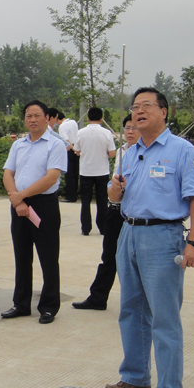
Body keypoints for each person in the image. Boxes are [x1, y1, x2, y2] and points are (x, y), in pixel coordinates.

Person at [104, 87, 194, 388]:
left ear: (164, 111)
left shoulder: (182, 151)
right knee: (131, 311)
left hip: (163, 237)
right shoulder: (131, 152)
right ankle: (135, 376)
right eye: (135, 107)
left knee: (164, 317)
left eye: (146, 105)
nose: (139, 111)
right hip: (129, 233)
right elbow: (115, 197)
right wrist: (115, 190)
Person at [1, 100, 67, 324]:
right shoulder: (18, 144)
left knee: (48, 258)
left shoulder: (55, 144)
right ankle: (20, 304)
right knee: (22, 257)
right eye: (28, 115)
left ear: (47, 118)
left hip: (44, 206)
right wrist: (17, 200)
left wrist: (22, 195)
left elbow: (51, 177)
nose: (32, 119)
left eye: (37, 115)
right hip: (18, 206)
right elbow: (8, 174)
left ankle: (48, 307)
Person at [73, 115, 140, 310]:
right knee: (109, 255)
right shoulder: (122, 151)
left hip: (136, 213)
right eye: (127, 127)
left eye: (134, 128)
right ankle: (98, 297)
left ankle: (140, 302)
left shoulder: (149, 153)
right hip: (117, 208)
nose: (129, 131)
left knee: (136, 260)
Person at [74, 108, 116, 236]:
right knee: (102, 200)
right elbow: (113, 153)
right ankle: (103, 227)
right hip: (102, 171)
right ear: (101, 118)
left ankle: (85, 228)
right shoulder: (106, 133)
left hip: (86, 171)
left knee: (85, 201)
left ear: (88, 118)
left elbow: (77, 151)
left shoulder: (80, 133)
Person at [59, 113, 79, 203]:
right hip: (76, 149)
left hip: (69, 150)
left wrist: (72, 148)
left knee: (69, 174)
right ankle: (75, 195)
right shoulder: (73, 122)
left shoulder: (62, 126)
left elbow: (66, 140)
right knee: (75, 173)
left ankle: (70, 196)